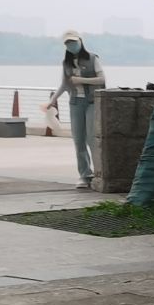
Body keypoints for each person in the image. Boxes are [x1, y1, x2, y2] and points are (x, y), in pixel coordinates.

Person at [44, 30, 105, 190]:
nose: (71, 45)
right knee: (78, 140)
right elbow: (64, 84)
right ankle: (85, 175)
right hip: (75, 103)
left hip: (91, 102)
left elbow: (102, 79)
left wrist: (81, 80)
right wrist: (52, 101)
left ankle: (99, 173)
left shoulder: (93, 58)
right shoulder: (66, 63)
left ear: (80, 41)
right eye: (67, 43)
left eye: (73, 42)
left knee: (91, 138)